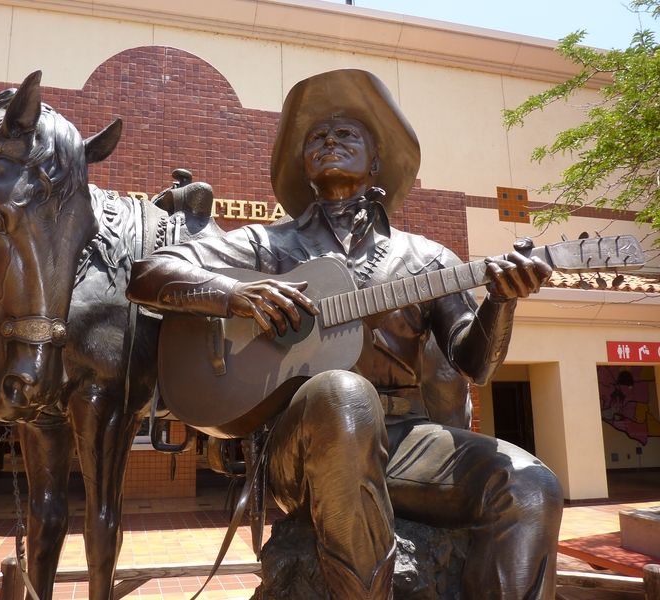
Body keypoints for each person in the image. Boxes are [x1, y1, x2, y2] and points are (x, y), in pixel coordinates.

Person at [127, 69, 563, 599]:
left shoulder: (427, 259)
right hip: (301, 443)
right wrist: (232, 295)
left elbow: (477, 364)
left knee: (530, 487)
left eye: (346, 135)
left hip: (405, 442)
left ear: (376, 163)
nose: (329, 141)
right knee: (343, 393)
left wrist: (501, 301)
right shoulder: (268, 245)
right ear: (304, 168)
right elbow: (147, 275)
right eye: (317, 138)